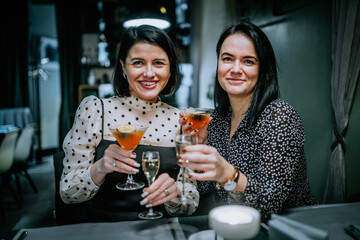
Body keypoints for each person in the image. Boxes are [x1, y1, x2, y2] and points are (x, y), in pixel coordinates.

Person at [178, 20, 318, 222]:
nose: (235, 69)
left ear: (263, 69)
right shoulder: (217, 119)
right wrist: (201, 145)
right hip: (238, 226)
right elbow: (208, 187)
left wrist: (229, 173)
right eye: (227, 59)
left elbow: (270, 203)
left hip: (289, 228)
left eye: (248, 61)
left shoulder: (280, 116)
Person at [59, 25, 199, 222]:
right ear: (123, 67)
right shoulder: (95, 109)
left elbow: (190, 201)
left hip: (160, 230)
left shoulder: (183, 120)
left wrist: (175, 195)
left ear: (170, 67)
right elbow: (67, 193)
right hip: (101, 229)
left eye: (159, 63)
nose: (149, 73)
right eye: (138, 63)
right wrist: (101, 168)